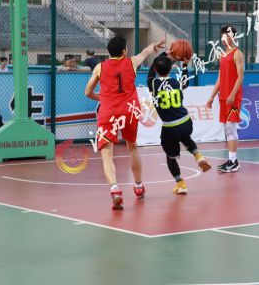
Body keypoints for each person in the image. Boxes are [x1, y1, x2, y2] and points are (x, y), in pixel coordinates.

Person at [85, 36, 165, 210]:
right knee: (132, 146)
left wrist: (101, 98)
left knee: (107, 152)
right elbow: (145, 53)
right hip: (129, 110)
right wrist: (153, 45)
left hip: (109, 112)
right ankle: (138, 186)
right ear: (124, 51)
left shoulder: (100, 67)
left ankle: (115, 190)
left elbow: (87, 91)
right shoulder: (132, 62)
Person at [147, 53, 211, 194]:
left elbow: (150, 74)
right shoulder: (176, 83)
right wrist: (185, 65)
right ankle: (198, 155)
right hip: (185, 122)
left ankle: (180, 184)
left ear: (156, 69)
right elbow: (185, 82)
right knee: (185, 137)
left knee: (170, 157)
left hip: (169, 127)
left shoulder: (154, 84)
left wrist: (164, 54)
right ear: (170, 69)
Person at [206, 25, 245, 173]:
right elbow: (220, 78)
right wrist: (212, 96)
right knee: (227, 129)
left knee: (231, 127)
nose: (224, 38)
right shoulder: (222, 55)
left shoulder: (237, 54)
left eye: (227, 35)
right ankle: (232, 160)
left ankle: (233, 161)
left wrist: (233, 94)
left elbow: (240, 77)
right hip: (223, 96)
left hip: (232, 97)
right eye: (222, 36)